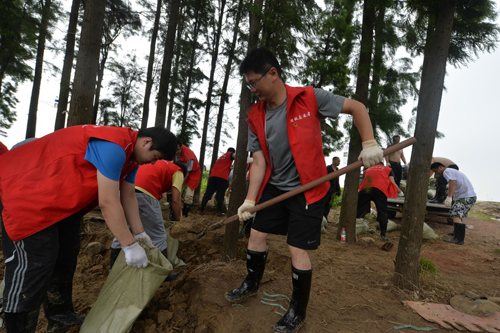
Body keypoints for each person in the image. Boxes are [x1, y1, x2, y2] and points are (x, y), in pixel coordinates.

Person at [226, 47, 384, 333]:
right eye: (248, 85)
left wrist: (369, 142)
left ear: (272, 73)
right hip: (275, 187)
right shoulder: (255, 116)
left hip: (308, 188)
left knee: (296, 248)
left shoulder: (309, 98)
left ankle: (297, 311)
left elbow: (357, 108)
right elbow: (259, 160)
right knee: (256, 234)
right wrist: (250, 200)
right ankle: (251, 282)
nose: (252, 90)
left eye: (254, 82)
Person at [0, 125, 177, 333]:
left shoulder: (131, 159)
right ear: (146, 142)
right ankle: (18, 328)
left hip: (60, 201)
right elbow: (108, 202)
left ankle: (60, 315)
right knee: (35, 263)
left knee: (66, 253)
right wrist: (128, 245)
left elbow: (128, 196)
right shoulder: (114, 146)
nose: (154, 163)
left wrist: (140, 234)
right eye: (155, 156)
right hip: (28, 193)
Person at [109, 160, 186, 268]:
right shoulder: (178, 171)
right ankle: (162, 273)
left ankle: (113, 269)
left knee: (124, 231)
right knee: (158, 235)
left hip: (123, 191)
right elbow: (176, 200)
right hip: (145, 193)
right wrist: (179, 220)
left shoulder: (159, 164)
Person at [430, 162, 476, 245]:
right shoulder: (451, 171)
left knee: (455, 214)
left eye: (436, 171)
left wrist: (449, 197)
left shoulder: (447, 171)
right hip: (467, 196)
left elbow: (452, 183)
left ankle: (459, 239)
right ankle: (456, 232)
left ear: (440, 167)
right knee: (454, 214)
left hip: (466, 197)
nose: (436, 173)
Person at [357, 163, 402, 241]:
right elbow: (392, 183)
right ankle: (383, 234)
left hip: (366, 188)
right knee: (382, 211)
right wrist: (400, 192)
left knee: (359, 209)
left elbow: (363, 180)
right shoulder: (388, 169)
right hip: (380, 190)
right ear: (383, 165)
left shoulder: (368, 169)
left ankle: (351, 228)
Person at [200, 148, 236, 216]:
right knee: (220, 194)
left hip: (213, 176)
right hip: (222, 177)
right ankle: (219, 211)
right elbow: (235, 155)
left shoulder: (222, 157)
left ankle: (201, 209)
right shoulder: (230, 154)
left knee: (208, 193)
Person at [175, 139, 201, 217]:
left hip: (193, 173)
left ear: (181, 147)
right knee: (176, 190)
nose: (177, 152)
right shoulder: (172, 152)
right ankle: (175, 209)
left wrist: (181, 184)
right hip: (180, 171)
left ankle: (185, 214)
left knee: (188, 195)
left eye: (178, 150)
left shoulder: (189, 156)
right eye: (175, 150)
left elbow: (188, 173)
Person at [323, 156, 341, 223]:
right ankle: (322, 218)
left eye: (339, 161)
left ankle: (325, 218)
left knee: (329, 205)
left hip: (333, 190)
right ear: (334, 161)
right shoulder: (328, 168)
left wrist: (338, 190)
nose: (339, 163)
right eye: (338, 161)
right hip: (327, 190)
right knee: (324, 204)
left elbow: (337, 181)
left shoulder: (337, 169)